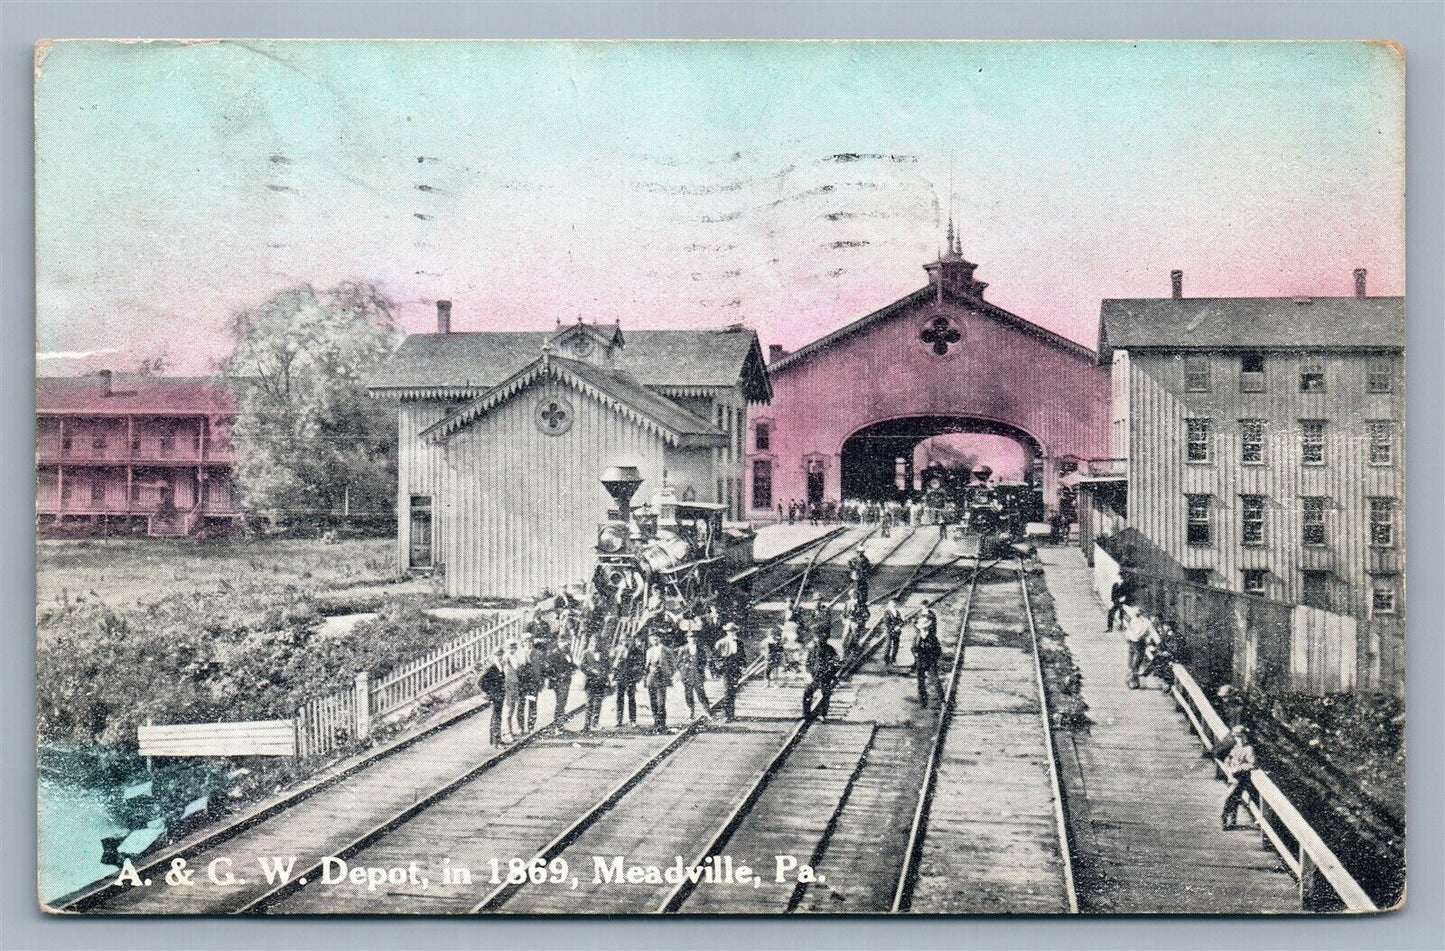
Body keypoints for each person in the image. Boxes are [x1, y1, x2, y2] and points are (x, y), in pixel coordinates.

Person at [1214, 725, 1259, 830]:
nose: (1237, 739)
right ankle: (1229, 821)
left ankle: (1224, 818)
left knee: (1229, 797)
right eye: (1235, 737)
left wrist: (1240, 767)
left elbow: (1253, 764)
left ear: (1244, 736)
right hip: (1233, 777)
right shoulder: (1235, 747)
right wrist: (1228, 762)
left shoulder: (1249, 749)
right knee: (1234, 798)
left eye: (1239, 736)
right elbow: (1230, 757)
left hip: (1241, 778)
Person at [713, 622, 747, 721]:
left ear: (736, 631)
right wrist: (718, 668)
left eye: (734, 631)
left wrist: (743, 666)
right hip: (726, 669)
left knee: (732, 691)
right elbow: (714, 657)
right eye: (730, 631)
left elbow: (742, 656)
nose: (732, 633)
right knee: (727, 691)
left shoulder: (739, 643)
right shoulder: (721, 643)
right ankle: (727, 715)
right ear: (727, 632)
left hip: (735, 669)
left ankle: (731, 714)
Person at [802, 631, 840, 720]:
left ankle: (823, 714)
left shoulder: (830, 649)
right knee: (807, 692)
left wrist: (830, 673)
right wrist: (809, 673)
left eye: (820, 638)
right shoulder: (812, 649)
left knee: (826, 694)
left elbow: (836, 663)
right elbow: (808, 662)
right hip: (815, 676)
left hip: (825, 676)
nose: (818, 640)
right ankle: (806, 713)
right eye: (817, 638)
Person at [475, 646, 509, 747]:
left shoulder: (501, 665)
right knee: (496, 717)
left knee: (497, 716)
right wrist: (490, 692)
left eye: (501, 655)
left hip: (500, 694)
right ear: (493, 655)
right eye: (497, 655)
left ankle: (494, 740)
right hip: (495, 695)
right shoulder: (491, 667)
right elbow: (480, 682)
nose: (499, 657)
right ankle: (496, 741)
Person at [643, 632, 674, 732]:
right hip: (651, 677)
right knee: (653, 701)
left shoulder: (666, 650)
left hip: (661, 677)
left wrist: (668, 674)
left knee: (661, 702)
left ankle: (662, 723)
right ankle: (656, 722)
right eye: (652, 639)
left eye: (656, 639)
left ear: (659, 639)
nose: (654, 641)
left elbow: (672, 664)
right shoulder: (649, 651)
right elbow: (646, 666)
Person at [610, 632, 643, 727]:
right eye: (624, 640)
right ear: (621, 641)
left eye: (628, 640)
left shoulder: (636, 651)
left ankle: (632, 720)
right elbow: (612, 663)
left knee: (631, 698)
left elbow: (640, 664)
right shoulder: (617, 650)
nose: (626, 642)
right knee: (619, 698)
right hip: (620, 677)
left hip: (631, 677)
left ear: (631, 641)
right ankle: (618, 720)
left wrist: (636, 672)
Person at [677, 629, 711, 719]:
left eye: (693, 637)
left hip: (698, 675)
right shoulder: (683, 649)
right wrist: (684, 667)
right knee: (688, 694)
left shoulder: (700, 649)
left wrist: (702, 669)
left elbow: (704, 661)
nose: (691, 639)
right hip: (687, 675)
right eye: (690, 637)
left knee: (701, 694)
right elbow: (678, 663)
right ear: (687, 638)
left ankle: (707, 711)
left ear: (696, 638)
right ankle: (690, 712)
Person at [579, 635, 610, 732]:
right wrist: (592, 670)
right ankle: (586, 725)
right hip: (590, 681)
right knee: (589, 703)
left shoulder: (604, 653)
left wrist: (603, 672)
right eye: (593, 641)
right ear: (590, 642)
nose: (595, 644)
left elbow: (608, 666)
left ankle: (595, 722)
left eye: (597, 641)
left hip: (601, 681)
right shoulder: (586, 653)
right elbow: (582, 666)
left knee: (598, 702)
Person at [542, 635, 576, 724]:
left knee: (563, 702)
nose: (566, 644)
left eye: (567, 642)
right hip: (558, 681)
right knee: (561, 702)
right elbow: (548, 667)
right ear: (559, 643)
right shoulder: (554, 653)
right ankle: (558, 724)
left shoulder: (567, 652)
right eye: (563, 642)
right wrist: (557, 676)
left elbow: (572, 665)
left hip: (566, 680)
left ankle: (559, 723)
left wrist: (572, 669)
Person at [913, 621, 943, 707]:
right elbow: (913, 648)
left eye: (926, 630)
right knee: (921, 683)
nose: (925, 632)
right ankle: (923, 702)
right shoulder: (917, 638)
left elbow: (938, 650)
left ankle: (942, 701)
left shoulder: (933, 638)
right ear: (920, 630)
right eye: (923, 630)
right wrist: (916, 654)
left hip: (930, 663)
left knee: (936, 680)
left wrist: (934, 659)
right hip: (920, 663)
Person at [516, 642, 543, 733]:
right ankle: (521, 727)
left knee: (532, 705)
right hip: (522, 684)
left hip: (533, 684)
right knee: (521, 705)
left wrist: (540, 682)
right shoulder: (518, 653)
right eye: (525, 640)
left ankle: (531, 727)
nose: (527, 643)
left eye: (529, 640)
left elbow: (542, 669)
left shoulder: (538, 653)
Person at [1124, 606, 1152, 689]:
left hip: (1138, 642)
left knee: (1135, 663)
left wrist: (1135, 637)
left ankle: (1133, 682)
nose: (1136, 614)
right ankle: (1133, 682)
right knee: (1134, 663)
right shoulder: (1135, 621)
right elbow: (1130, 632)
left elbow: (1144, 632)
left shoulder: (1144, 622)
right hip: (1135, 642)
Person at [501, 639, 522, 737]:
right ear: (506, 648)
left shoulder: (512, 656)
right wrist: (513, 656)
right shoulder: (507, 657)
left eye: (514, 648)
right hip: (508, 684)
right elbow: (516, 666)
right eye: (510, 648)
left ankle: (509, 730)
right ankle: (507, 732)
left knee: (512, 707)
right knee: (509, 708)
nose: (512, 650)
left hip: (514, 683)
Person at [881, 598, 906, 666]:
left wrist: (900, 626)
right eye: (892, 603)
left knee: (896, 646)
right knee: (888, 645)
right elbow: (886, 622)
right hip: (889, 631)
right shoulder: (887, 612)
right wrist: (895, 627)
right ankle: (886, 660)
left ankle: (893, 659)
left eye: (895, 603)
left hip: (897, 631)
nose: (894, 604)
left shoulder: (897, 612)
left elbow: (901, 621)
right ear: (889, 604)